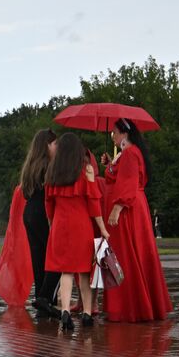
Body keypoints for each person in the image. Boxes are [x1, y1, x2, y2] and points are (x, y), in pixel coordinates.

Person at [100, 119, 172, 321]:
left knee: (127, 255)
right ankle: (138, 304)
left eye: (114, 133)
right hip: (133, 207)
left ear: (125, 133)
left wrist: (117, 207)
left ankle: (132, 306)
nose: (112, 136)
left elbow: (129, 182)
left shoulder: (130, 153)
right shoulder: (128, 154)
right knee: (134, 254)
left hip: (128, 209)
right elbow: (117, 177)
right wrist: (110, 164)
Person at [0, 130, 59, 316]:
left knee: (38, 258)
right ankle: (46, 299)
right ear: (47, 145)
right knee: (52, 258)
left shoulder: (31, 165)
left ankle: (40, 299)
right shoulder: (49, 166)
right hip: (41, 214)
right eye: (55, 144)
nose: (57, 147)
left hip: (29, 212)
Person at [44, 132, 107, 332]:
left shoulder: (52, 173)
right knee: (84, 274)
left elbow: (48, 206)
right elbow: (94, 204)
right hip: (81, 227)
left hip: (60, 226)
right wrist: (103, 229)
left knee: (66, 272)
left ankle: (65, 311)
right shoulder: (86, 171)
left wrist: (53, 224)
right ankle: (87, 313)